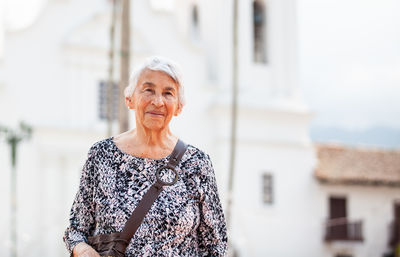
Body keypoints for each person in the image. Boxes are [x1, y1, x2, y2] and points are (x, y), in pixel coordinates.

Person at [63, 56, 228, 257]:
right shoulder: (101, 155)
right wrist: (83, 250)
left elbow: (216, 245)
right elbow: (76, 230)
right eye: (148, 90)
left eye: (168, 93)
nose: (157, 101)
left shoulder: (197, 163)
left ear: (179, 106)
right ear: (129, 99)